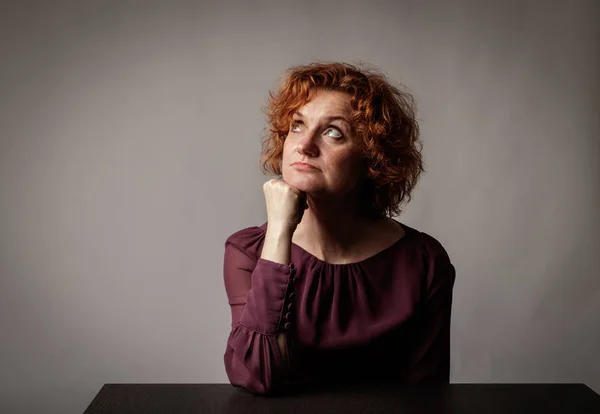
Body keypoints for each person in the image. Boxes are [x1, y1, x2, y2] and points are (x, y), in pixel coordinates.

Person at [223, 62, 456, 395]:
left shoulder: (423, 262)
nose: (304, 145)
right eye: (297, 126)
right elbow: (256, 375)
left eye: (333, 132)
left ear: (372, 158)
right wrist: (278, 233)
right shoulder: (247, 251)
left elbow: (427, 396)